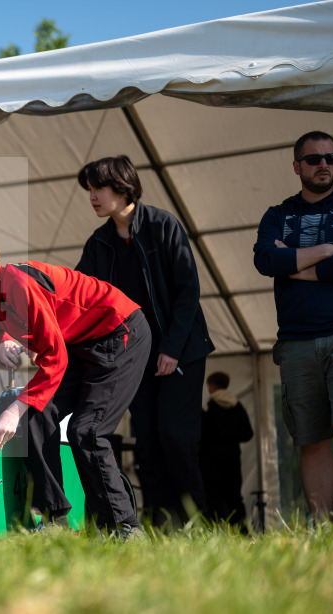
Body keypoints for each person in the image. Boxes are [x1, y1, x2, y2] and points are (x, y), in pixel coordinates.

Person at [0, 235, 151, 538]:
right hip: (80, 344)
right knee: (36, 414)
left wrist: (14, 408)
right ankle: (54, 520)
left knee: (86, 430)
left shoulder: (17, 284)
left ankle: (124, 526)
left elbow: (54, 356)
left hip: (119, 330)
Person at [75, 155, 214, 526]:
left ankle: (198, 525)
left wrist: (171, 349)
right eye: (88, 189)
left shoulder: (163, 225)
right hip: (135, 359)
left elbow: (188, 293)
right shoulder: (98, 243)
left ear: (122, 186)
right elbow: (78, 295)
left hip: (181, 352)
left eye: (98, 187)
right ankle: (160, 527)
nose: (92, 196)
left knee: (175, 438)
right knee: (148, 445)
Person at [253, 130, 333, 526]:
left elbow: (282, 264)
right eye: (315, 159)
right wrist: (325, 251)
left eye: (331, 159)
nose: (324, 165)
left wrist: (295, 265)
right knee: (311, 439)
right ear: (297, 166)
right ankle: (320, 528)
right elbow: (267, 261)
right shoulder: (278, 214)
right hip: (297, 341)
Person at [200, 371, 254, 526]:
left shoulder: (209, 407)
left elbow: (202, 436)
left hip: (211, 463)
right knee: (235, 497)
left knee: (213, 498)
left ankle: (217, 531)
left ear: (213, 386)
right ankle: (242, 531)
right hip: (232, 460)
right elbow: (248, 434)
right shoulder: (237, 406)